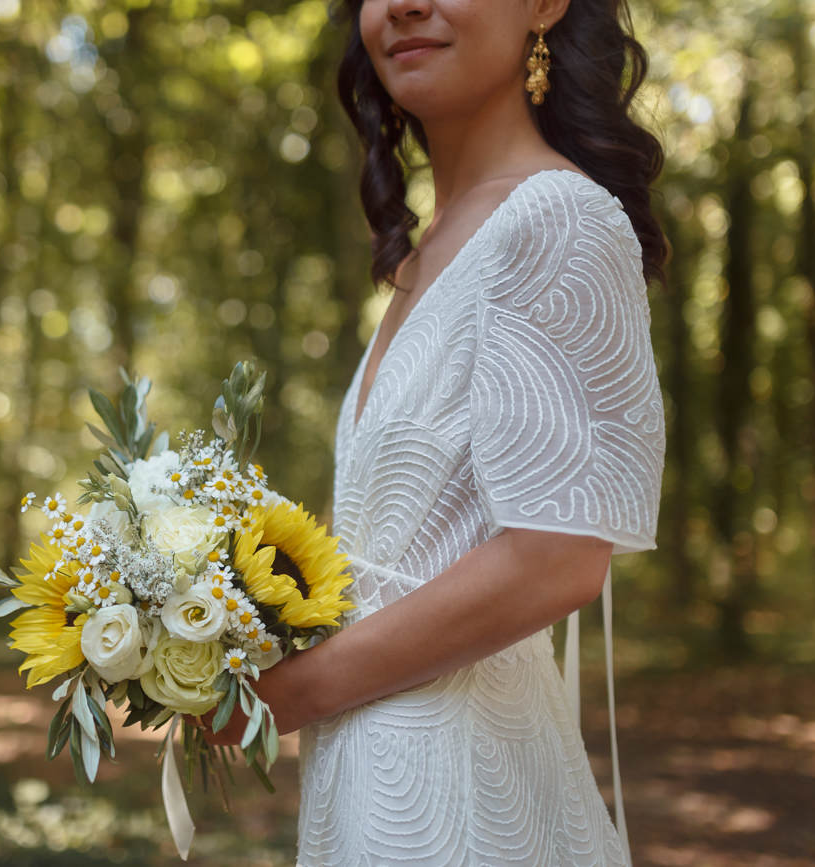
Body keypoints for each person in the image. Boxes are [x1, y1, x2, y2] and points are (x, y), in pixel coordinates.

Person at [207, 0, 667, 864]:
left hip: (468, 783)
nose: (405, 4)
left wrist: (283, 696)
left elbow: (555, 557)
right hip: (368, 771)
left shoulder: (559, 219)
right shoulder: (425, 252)